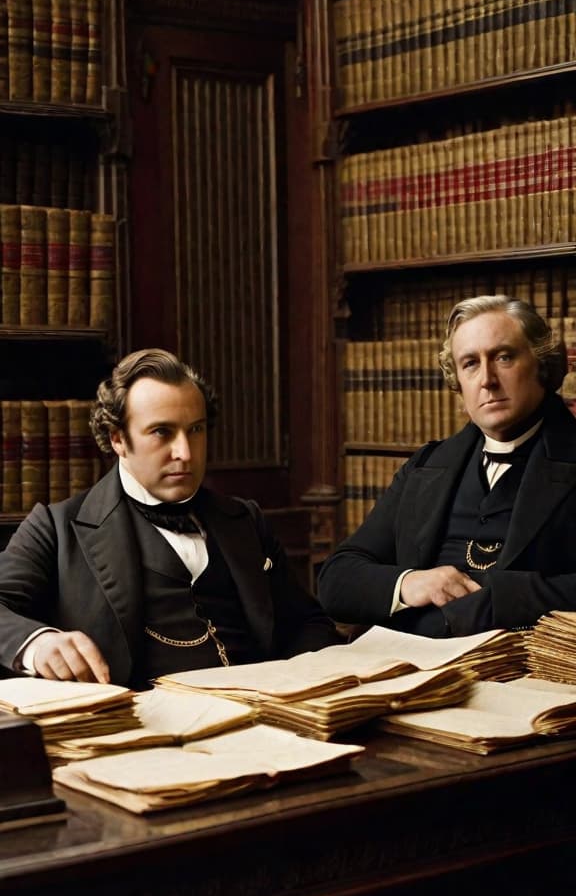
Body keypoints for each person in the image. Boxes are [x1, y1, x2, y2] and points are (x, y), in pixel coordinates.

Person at [0, 349, 340, 686]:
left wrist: (300, 685)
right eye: (162, 432)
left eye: (196, 429)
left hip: (268, 721)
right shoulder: (55, 529)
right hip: (143, 729)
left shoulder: (245, 519)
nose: (185, 453)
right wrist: (38, 643)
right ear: (117, 438)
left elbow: (308, 623)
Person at [318, 294, 576, 638]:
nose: (487, 379)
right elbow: (336, 580)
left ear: (542, 365)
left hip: (519, 670)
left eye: (503, 357)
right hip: (410, 664)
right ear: (458, 383)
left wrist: (495, 598)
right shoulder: (426, 466)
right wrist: (409, 583)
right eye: (470, 363)